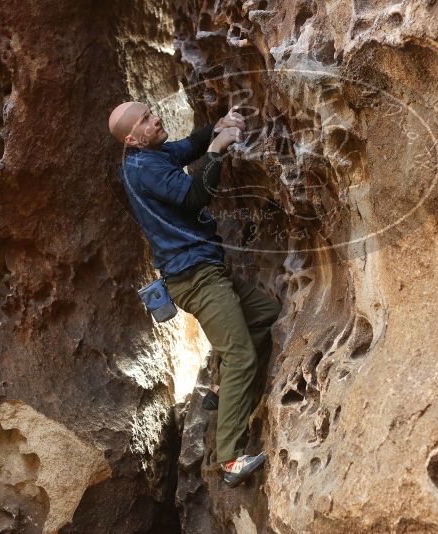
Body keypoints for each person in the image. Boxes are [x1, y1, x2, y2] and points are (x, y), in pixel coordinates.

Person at [108, 101, 282, 487]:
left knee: (267, 315)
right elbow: (193, 197)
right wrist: (217, 149)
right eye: (147, 120)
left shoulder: (151, 154)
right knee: (241, 356)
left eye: (153, 112)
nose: (156, 119)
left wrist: (214, 128)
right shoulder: (144, 169)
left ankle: (223, 393)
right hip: (197, 278)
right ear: (133, 139)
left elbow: (188, 146)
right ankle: (231, 461)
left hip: (207, 270)